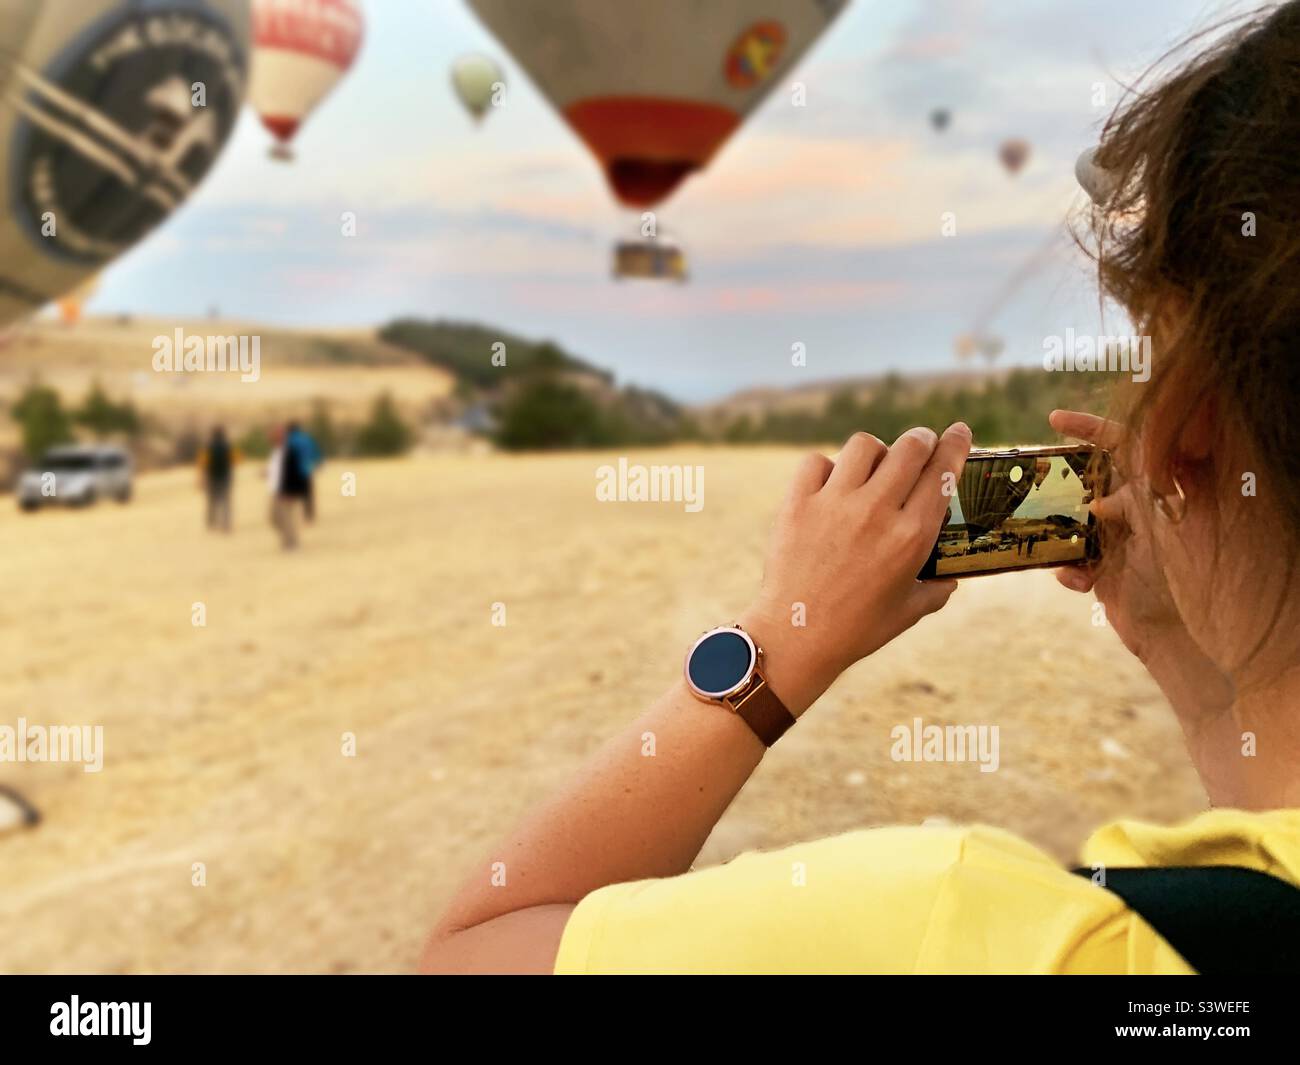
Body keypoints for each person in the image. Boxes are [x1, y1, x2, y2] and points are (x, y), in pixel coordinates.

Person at [422, 3, 1300, 975]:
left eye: (1148, 352)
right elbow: (1263, 867)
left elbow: (472, 950)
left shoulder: (972, 926)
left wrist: (778, 645)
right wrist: (1202, 676)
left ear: (1188, 430)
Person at [267, 423, 308, 550]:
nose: (273, 437)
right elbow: (277, 469)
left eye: (277, 435)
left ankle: (291, 543)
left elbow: (294, 473)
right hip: (275, 489)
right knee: (275, 518)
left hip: (285, 490)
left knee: (285, 518)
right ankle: (290, 540)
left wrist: (290, 491)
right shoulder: (276, 451)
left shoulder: (290, 452)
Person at [198, 426, 237, 532]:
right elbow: (235, 460)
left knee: (211, 501)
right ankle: (226, 524)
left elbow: (203, 464)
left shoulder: (208, 446)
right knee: (225, 501)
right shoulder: (227, 446)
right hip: (225, 477)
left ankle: (211, 523)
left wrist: (201, 479)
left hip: (212, 477)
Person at [286, 422, 322, 522]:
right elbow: (315, 451)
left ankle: (291, 516)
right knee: (307, 494)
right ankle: (309, 515)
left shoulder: (289, 441)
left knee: (291, 494)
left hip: (293, 472)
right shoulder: (307, 439)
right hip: (307, 469)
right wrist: (319, 462)